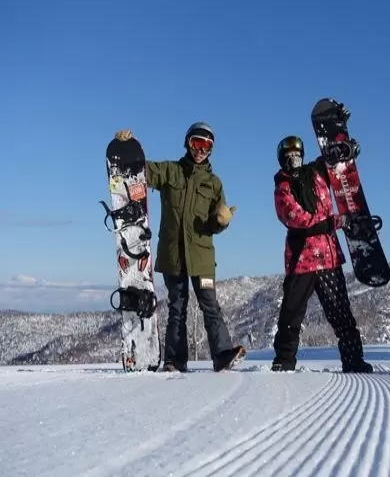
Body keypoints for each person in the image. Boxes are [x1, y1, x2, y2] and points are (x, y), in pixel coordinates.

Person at [114, 123, 246, 373]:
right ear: (187, 143)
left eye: (206, 146)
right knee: (177, 307)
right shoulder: (171, 171)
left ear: (211, 150)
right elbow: (142, 171)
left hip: (202, 257)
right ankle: (175, 361)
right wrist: (127, 148)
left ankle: (222, 355)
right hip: (173, 254)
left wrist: (222, 221)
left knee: (210, 305)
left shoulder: (214, 184)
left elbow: (214, 224)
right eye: (196, 143)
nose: (200, 150)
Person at [271, 135, 373, 373]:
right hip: (302, 262)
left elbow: (335, 164)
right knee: (291, 315)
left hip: (329, 258)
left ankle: (353, 359)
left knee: (340, 311)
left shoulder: (316, 172)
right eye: (289, 156)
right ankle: (284, 360)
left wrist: (346, 148)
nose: (294, 159)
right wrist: (337, 221)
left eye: (297, 155)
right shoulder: (282, 188)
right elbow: (300, 222)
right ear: (282, 160)